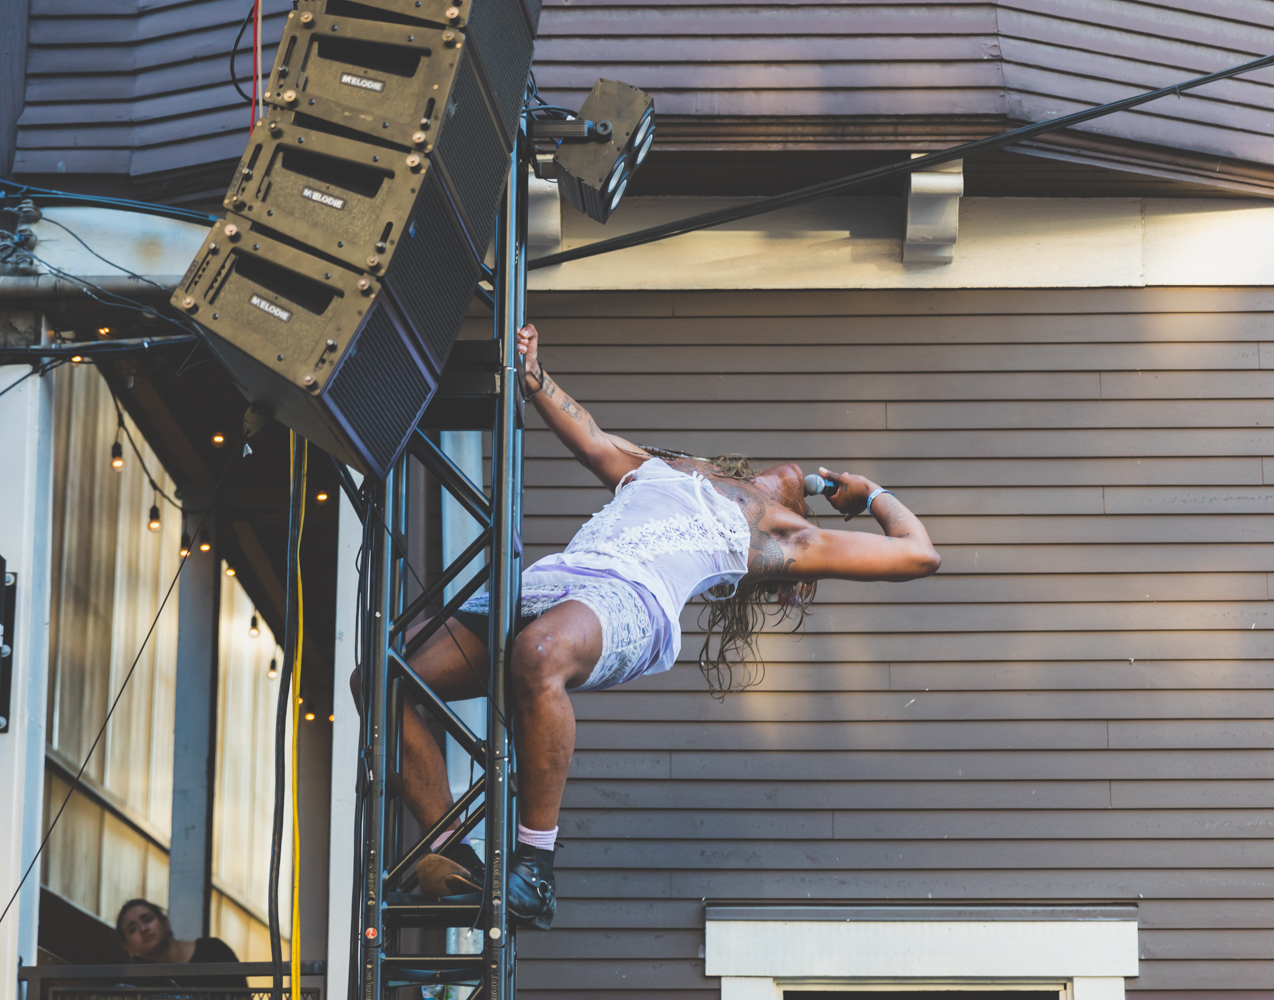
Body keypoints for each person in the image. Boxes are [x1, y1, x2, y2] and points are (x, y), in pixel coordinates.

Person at [380, 323, 941, 929]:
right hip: (552, 579)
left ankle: (535, 868)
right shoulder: (674, 468)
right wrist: (534, 375)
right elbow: (591, 436)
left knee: (539, 653)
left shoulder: (783, 535)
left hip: (631, 601)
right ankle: (449, 857)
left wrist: (872, 492)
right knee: (387, 676)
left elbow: (919, 554)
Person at [115, 899, 246, 987]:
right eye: (133, 929)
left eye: (148, 919)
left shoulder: (214, 951)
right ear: (128, 947)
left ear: (165, 922)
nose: (143, 929)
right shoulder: (150, 985)